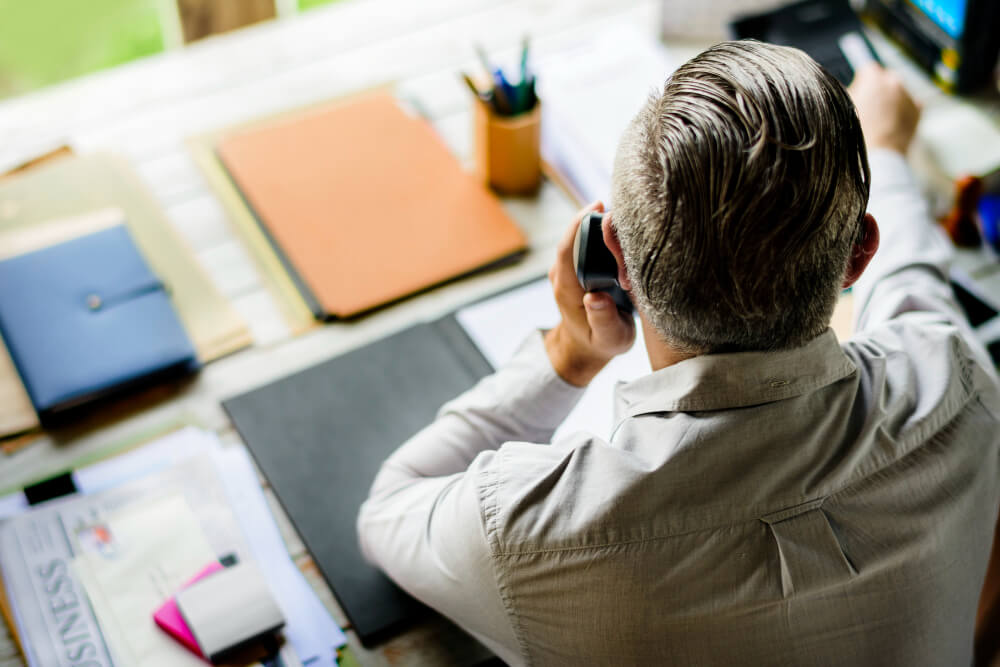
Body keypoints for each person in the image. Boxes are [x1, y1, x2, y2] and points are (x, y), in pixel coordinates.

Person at [358, 41, 1000, 666]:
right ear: (859, 253)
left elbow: (388, 509)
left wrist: (570, 354)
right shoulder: (960, 384)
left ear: (612, 255)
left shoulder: (530, 533)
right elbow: (914, 285)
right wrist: (883, 153)